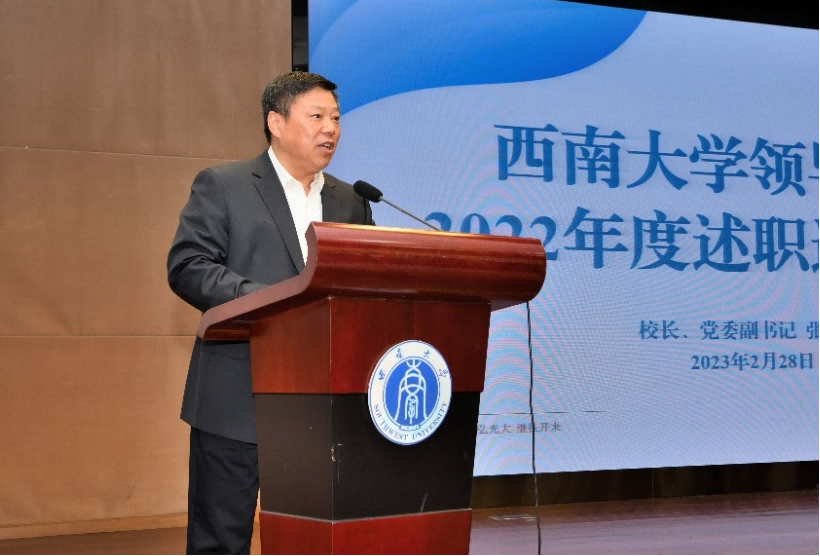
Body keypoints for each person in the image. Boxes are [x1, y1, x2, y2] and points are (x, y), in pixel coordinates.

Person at [167, 71, 374, 555]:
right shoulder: (225, 185)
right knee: (221, 539)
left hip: (325, 403)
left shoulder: (352, 200)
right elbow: (188, 266)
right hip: (236, 396)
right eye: (317, 116)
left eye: (336, 118)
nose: (331, 128)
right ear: (276, 123)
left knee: (315, 539)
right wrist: (273, 298)